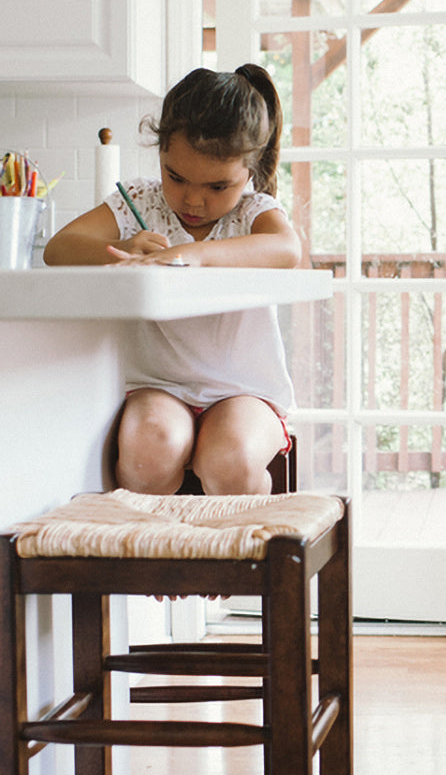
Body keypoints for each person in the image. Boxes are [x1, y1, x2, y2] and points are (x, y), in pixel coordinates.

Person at [45, 65, 301, 496]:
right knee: (150, 449)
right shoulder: (143, 201)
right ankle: (154, 559)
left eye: (217, 186)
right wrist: (127, 246)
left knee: (231, 458)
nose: (192, 200)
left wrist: (190, 255)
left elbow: (287, 250)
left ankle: (237, 561)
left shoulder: (252, 211)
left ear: (250, 171)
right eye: (176, 176)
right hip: (157, 386)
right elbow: (59, 248)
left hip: (245, 392)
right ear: (161, 152)